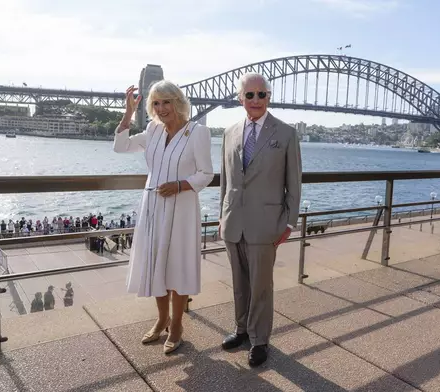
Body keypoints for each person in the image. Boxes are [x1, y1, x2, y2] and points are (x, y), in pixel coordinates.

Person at [113, 81, 214, 355]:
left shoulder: (198, 133)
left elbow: (207, 173)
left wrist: (180, 185)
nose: (161, 108)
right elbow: (121, 147)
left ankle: (177, 325)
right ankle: (161, 320)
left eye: (166, 102)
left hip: (181, 206)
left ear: (178, 102)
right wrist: (128, 114)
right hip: (153, 206)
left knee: (176, 265)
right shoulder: (152, 130)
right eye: (156, 103)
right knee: (156, 263)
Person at [219, 72, 302, 367]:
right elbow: (226, 180)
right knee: (239, 283)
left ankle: (260, 340)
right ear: (240, 98)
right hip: (233, 221)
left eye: (262, 94)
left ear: (269, 97)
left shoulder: (286, 134)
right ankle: (241, 329)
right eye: (250, 95)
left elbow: (294, 183)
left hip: (266, 224)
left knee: (261, 286)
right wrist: (221, 216)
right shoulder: (229, 133)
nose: (256, 100)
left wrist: (289, 223)